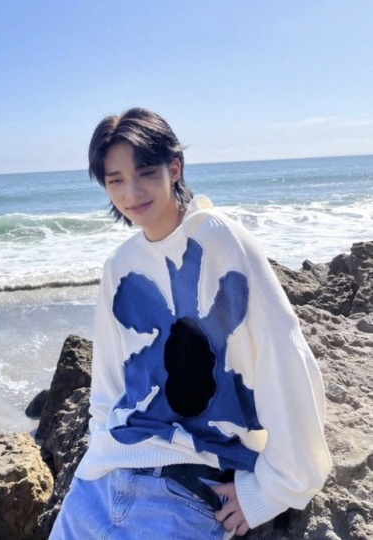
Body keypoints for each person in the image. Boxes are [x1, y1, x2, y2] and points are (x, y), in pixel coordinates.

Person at [49, 107, 331, 539]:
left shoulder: (222, 240)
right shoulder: (119, 265)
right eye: (115, 180)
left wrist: (273, 491)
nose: (131, 192)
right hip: (98, 487)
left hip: (186, 493)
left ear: (174, 168)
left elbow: (285, 356)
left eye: (145, 173)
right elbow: (107, 387)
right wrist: (96, 456)